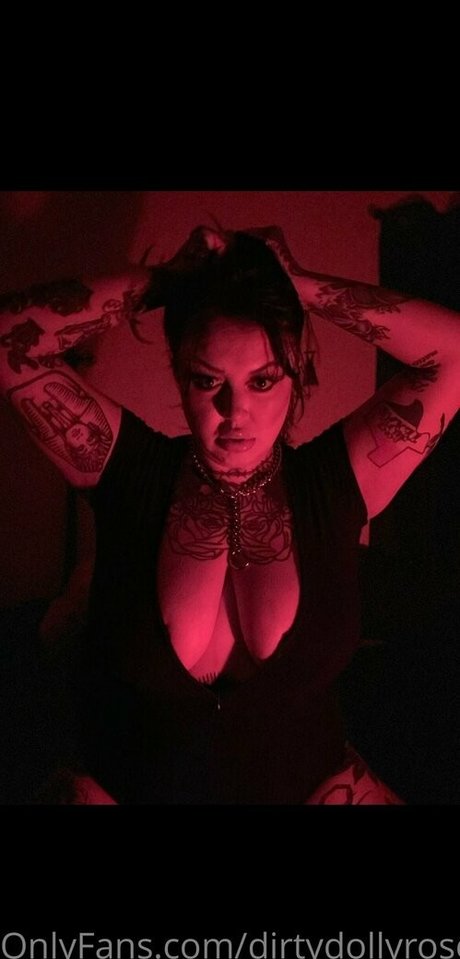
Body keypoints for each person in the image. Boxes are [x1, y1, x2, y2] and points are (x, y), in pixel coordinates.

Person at [1, 224, 459, 805]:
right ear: (179, 373)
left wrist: (299, 283)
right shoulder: (126, 470)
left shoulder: (335, 482)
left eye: (262, 380)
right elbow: (8, 340)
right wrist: (165, 281)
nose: (234, 411)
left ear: (296, 370)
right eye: (207, 380)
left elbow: (454, 353)